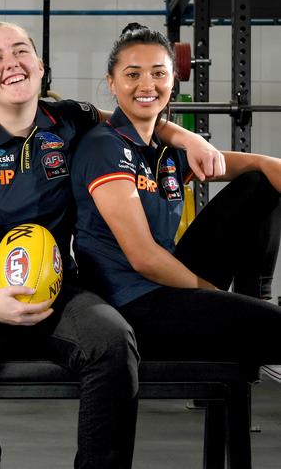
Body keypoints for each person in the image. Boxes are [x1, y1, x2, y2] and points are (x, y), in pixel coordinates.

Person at [0, 21, 225, 469]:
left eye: (21, 52)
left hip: (60, 289)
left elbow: (135, 119)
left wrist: (186, 136)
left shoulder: (70, 120)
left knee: (114, 346)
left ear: (40, 67)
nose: (12, 64)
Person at [71, 22, 281, 409]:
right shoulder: (104, 146)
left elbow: (262, 165)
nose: (146, 84)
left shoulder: (167, 150)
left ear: (172, 81)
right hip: (132, 303)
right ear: (112, 84)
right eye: (132, 74)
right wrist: (216, 296)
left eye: (158, 73)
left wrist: (196, 140)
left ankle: (256, 300)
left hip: (170, 284)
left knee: (261, 179)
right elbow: (144, 258)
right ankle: (255, 320)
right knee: (275, 326)